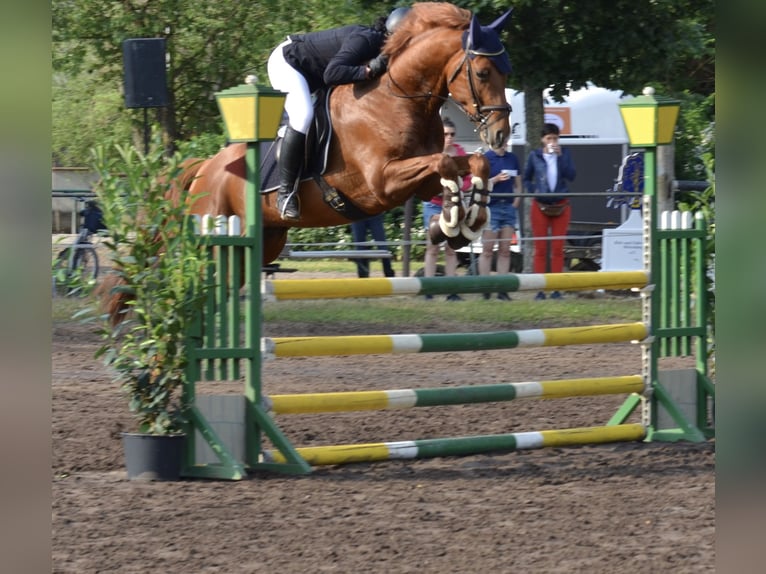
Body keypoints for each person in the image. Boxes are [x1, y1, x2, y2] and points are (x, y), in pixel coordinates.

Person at [267, 7, 411, 221]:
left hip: (311, 76)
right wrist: (368, 71)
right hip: (288, 63)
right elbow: (332, 73)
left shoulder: (381, 47)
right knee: (303, 115)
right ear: (395, 36)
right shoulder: (368, 40)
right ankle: (286, 194)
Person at [522, 123, 576, 300]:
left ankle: (556, 288)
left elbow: (572, 176)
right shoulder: (534, 155)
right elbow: (526, 178)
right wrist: (534, 192)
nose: (552, 141)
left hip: (561, 204)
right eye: (549, 138)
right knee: (540, 248)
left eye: (555, 138)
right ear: (542, 140)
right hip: (541, 205)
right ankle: (540, 289)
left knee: (558, 248)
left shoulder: (564, 153)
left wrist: (560, 157)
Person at [422, 117, 472, 301]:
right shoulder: (432, 154)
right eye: (445, 134)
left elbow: (467, 180)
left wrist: (460, 187)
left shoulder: (460, 152)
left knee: (451, 249)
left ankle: (452, 291)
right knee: (433, 247)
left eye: (452, 134)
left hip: (454, 206)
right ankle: (428, 290)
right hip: (433, 204)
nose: (449, 138)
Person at [478, 138, 521, 301]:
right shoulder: (485, 158)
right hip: (492, 207)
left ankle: (503, 290)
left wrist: (516, 202)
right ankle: (485, 288)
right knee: (487, 250)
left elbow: (518, 184)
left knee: (505, 250)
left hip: (508, 207)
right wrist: (495, 179)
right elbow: (480, 185)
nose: (503, 143)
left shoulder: (513, 158)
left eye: (505, 140)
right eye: (500, 139)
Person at [350, 214, 395, 278]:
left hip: (374, 214)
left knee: (382, 247)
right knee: (360, 247)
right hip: (357, 215)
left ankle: (389, 274)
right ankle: (362, 275)